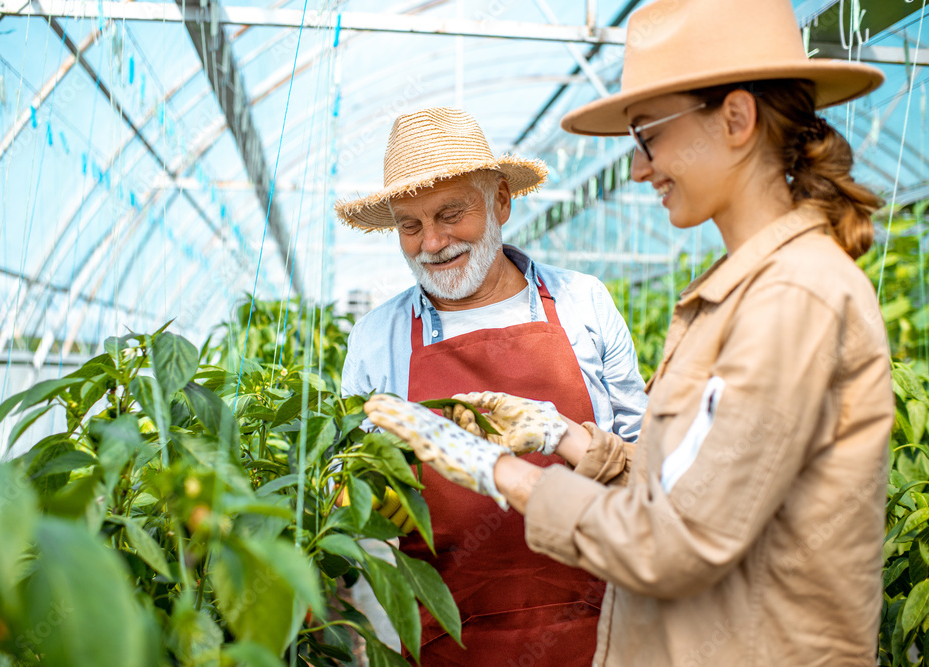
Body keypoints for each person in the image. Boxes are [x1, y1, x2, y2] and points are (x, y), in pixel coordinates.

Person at [363, 0, 895, 664]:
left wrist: (495, 469)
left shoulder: (792, 298)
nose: (639, 168)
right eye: (410, 226)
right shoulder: (737, 294)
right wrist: (572, 438)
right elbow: (688, 481)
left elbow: (677, 540)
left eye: (647, 136)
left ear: (736, 119)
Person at [335, 107, 648, 664]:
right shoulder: (376, 339)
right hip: (447, 638)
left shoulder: (583, 305)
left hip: (598, 633)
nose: (432, 242)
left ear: (501, 200)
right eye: (410, 225)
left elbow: (647, 463)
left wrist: (563, 436)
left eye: (451, 214)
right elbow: (350, 492)